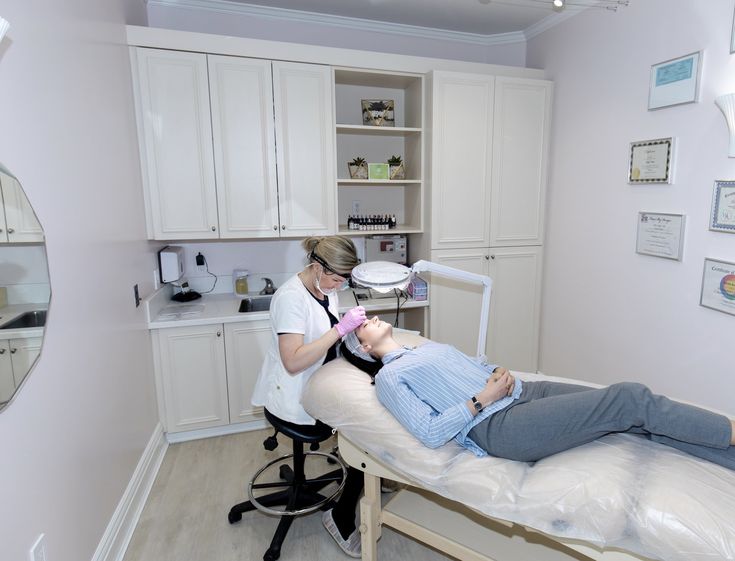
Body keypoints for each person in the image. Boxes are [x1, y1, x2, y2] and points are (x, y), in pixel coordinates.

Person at [340, 316, 735, 470]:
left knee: (630, 417)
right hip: (499, 425)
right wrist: (483, 399)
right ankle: (730, 430)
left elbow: (474, 369)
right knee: (629, 398)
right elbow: (428, 431)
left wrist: (494, 371)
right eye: (361, 324)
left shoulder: (423, 349)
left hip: (525, 392)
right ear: (363, 348)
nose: (369, 317)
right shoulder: (390, 380)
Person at [251, 235, 366, 558]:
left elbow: (326, 336)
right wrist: (340, 330)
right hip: (294, 398)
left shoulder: (324, 287)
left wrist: (351, 335)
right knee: (364, 437)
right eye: (336, 278)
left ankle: (373, 483)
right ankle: (341, 518)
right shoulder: (291, 299)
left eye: (346, 280)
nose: (340, 285)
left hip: (319, 383)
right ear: (317, 267)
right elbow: (293, 361)